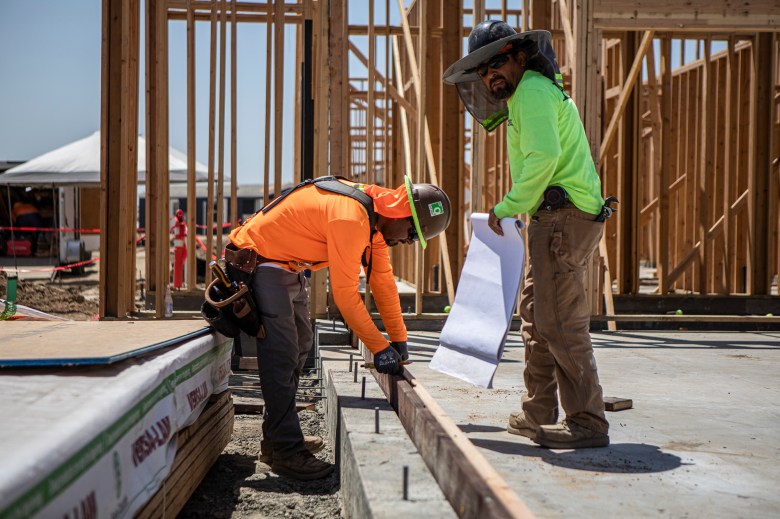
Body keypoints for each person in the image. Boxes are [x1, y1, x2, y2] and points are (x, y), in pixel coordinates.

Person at [444, 21, 611, 449]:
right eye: (482, 71)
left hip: (562, 217)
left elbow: (544, 156)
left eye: (495, 63)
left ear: (520, 56)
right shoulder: (529, 93)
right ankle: (538, 413)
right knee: (538, 318)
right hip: (554, 217)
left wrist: (505, 207)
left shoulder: (533, 91)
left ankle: (588, 422)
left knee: (559, 323)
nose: (488, 76)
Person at [224, 175, 452, 479]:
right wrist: (379, 348)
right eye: (412, 234)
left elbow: (382, 283)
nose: (406, 242)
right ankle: (287, 452)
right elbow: (345, 297)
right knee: (282, 352)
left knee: (301, 344)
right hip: (259, 259)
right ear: (401, 212)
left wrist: (398, 340)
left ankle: (275, 442)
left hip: (286, 264)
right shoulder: (352, 217)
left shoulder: (375, 224)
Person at [170, 209, 187, 288]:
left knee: (179, 266)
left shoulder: (178, 223)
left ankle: (178, 284)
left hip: (179, 247)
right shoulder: (177, 222)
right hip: (179, 248)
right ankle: (177, 284)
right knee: (178, 266)